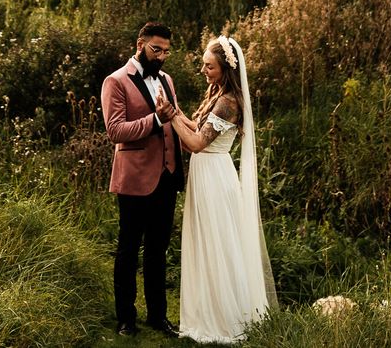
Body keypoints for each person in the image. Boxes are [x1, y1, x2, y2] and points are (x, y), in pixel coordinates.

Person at [157, 35, 277, 343]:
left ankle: (224, 318)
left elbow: (196, 143)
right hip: (206, 174)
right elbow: (195, 128)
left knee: (218, 244)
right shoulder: (216, 93)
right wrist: (173, 111)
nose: (203, 70)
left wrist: (169, 117)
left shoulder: (227, 103)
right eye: (203, 64)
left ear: (225, 69)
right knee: (207, 243)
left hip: (215, 177)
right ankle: (206, 309)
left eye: (209, 66)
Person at [101, 21, 185, 337]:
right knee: (128, 249)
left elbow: (175, 122)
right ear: (141, 44)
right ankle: (126, 318)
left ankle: (158, 317)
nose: (162, 57)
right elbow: (115, 131)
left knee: (157, 250)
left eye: (166, 51)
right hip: (135, 179)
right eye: (156, 49)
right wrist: (154, 120)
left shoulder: (167, 80)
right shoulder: (116, 81)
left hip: (167, 176)